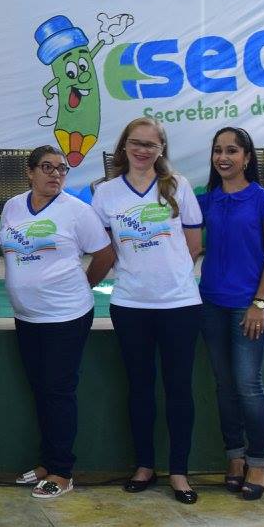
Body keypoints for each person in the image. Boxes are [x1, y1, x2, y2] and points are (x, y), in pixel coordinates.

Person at [93, 117, 203, 504]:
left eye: (151, 145)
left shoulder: (178, 186)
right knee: (139, 388)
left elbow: (193, 244)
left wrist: (169, 278)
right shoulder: (105, 193)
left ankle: (179, 472)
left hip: (179, 305)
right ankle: (144, 465)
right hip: (130, 304)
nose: (142, 150)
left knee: (178, 389)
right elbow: (104, 250)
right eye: (136, 143)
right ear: (124, 146)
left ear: (161, 150)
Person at [0, 145, 114, 499]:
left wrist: (81, 285)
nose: (55, 174)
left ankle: (62, 471)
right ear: (30, 172)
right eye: (47, 167)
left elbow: (105, 255)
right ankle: (46, 463)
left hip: (66, 316)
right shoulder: (12, 207)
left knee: (58, 391)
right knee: (41, 390)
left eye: (62, 169)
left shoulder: (78, 212)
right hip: (27, 316)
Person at [198, 126, 264, 502]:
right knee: (224, 386)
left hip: (249, 306)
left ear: (247, 157)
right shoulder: (206, 201)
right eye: (218, 150)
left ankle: (258, 462)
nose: (223, 157)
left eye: (232, 150)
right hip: (211, 304)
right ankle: (234, 457)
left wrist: (259, 303)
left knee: (248, 386)